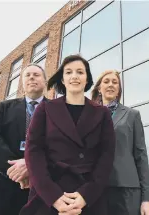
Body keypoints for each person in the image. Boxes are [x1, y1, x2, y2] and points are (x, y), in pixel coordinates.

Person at [19, 55, 116, 215]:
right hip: (49, 195)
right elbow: (34, 151)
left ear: (87, 79)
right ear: (63, 80)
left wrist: (86, 195)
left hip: (88, 196)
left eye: (80, 72)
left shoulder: (102, 113)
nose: (75, 76)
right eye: (69, 72)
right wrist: (53, 196)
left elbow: (106, 155)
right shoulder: (45, 109)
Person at [0, 64, 48, 215]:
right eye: (27, 75)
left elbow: (61, 144)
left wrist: (31, 166)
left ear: (45, 81)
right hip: (2, 186)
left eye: (36, 75)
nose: (31, 77)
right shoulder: (5, 107)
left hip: (41, 189)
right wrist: (16, 170)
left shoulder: (57, 110)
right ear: (23, 83)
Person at [92, 70, 149, 215]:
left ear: (119, 89)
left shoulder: (132, 115)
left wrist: (146, 199)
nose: (110, 85)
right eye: (106, 82)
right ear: (99, 88)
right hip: (96, 190)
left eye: (115, 82)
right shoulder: (89, 117)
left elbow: (141, 157)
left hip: (126, 192)